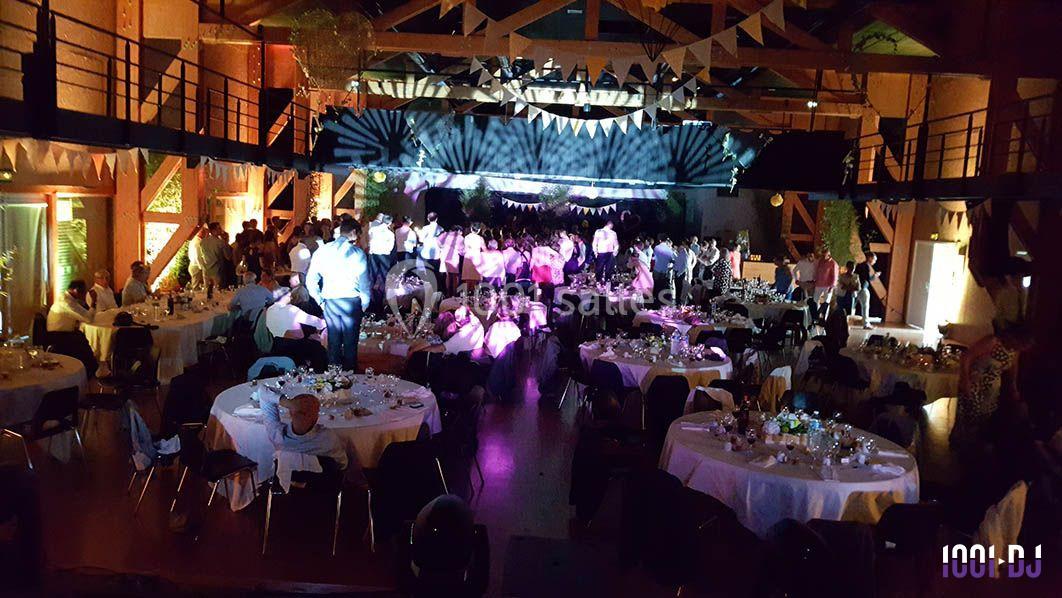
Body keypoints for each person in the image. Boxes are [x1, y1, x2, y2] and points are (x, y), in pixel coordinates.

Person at [950, 327, 1032, 454]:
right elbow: (967, 357)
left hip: (992, 388)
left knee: (985, 416)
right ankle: (962, 444)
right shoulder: (993, 341)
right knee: (971, 414)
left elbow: (1012, 370)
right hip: (975, 383)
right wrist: (965, 379)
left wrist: (1014, 388)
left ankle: (975, 447)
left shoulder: (1014, 351)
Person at [306, 220, 371, 371]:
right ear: (354, 233)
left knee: (333, 342)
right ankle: (350, 381)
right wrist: (364, 304)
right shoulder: (357, 253)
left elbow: (311, 280)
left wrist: (320, 300)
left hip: (330, 301)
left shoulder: (322, 251)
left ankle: (333, 380)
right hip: (351, 301)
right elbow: (364, 283)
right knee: (350, 344)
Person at [261, 391, 348, 470]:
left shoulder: (276, 433)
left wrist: (289, 403)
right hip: (323, 485)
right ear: (316, 417)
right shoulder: (328, 438)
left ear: (290, 413)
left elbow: (263, 392)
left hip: (288, 483)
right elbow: (342, 465)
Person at [265, 291, 328, 372]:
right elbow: (311, 320)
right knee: (319, 349)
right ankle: (319, 376)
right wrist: (325, 322)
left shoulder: (270, 310)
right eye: (289, 296)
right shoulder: (291, 309)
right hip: (293, 345)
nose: (291, 298)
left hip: (276, 345)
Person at [368, 214, 396, 302]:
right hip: (384, 254)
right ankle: (383, 295)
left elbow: (370, 240)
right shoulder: (390, 233)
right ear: (390, 223)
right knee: (384, 275)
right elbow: (391, 247)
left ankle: (370, 294)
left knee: (372, 274)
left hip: (374, 253)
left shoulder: (373, 229)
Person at [198, 222, 228, 288]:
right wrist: (226, 241)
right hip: (217, 270)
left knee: (207, 290)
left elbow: (200, 256)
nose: (221, 230)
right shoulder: (220, 242)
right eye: (219, 228)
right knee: (217, 291)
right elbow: (228, 256)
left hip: (206, 269)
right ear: (213, 231)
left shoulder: (202, 242)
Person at [813, 249, 839, 322]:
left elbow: (835, 276)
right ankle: (816, 316)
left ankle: (824, 318)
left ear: (828, 255)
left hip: (828, 285)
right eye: (822, 255)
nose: (823, 256)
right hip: (819, 284)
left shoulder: (833, 263)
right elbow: (817, 272)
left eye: (825, 255)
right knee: (815, 300)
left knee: (826, 302)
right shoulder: (820, 262)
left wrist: (832, 286)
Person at [854, 253, 877, 329]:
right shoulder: (866, 267)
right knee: (865, 306)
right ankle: (866, 324)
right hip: (863, 288)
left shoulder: (859, 265)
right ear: (870, 258)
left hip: (855, 288)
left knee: (852, 307)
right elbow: (867, 279)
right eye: (874, 259)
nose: (875, 262)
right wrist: (875, 276)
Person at [417, 212, 442, 277]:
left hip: (426, 253)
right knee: (436, 272)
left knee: (428, 272)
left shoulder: (425, 228)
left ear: (428, 219)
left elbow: (421, 240)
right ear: (436, 219)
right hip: (437, 253)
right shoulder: (441, 229)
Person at [651, 235, 675, 301]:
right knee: (662, 286)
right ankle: (661, 301)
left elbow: (653, 258)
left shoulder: (657, 247)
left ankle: (655, 300)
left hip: (657, 269)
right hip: (664, 271)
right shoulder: (669, 249)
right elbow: (672, 260)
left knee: (656, 286)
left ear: (660, 240)